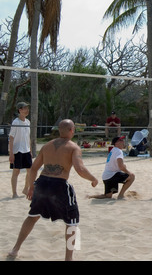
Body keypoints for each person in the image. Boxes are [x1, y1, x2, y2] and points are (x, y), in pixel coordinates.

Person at [8, 119, 98, 261]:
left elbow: (34, 168)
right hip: (59, 184)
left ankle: (15, 249)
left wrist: (32, 187)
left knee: (32, 216)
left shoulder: (47, 146)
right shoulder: (73, 147)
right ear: (71, 131)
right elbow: (80, 169)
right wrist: (93, 179)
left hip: (42, 183)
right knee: (72, 221)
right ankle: (68, 258)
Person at [9, 102, 32, 198]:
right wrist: (11, 154)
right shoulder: (16, 122)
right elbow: (11, 138)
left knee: (30, 171)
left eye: (27, 108)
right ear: (20, 110)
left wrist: (30, 150)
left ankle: (25, 189)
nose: (27, 110)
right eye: (25, 108)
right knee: (16, 172)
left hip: (26, 150)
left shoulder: (28, 122)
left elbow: (28, 137)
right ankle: (14, 193)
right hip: (17, 150)